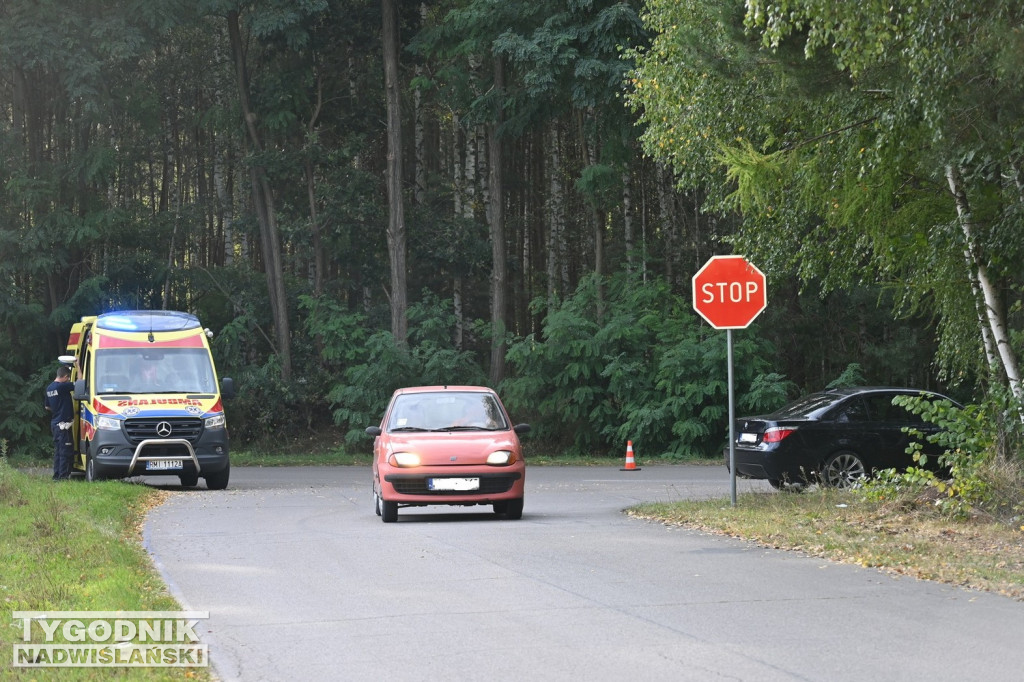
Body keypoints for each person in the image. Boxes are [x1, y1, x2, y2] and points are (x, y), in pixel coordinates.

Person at [44, 365, 75, 481]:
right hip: (63, 425)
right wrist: (78, 367)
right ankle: (63, 477)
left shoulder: (49, 388)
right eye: (68, 378)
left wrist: (57, 410)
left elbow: (47, 407)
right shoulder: (63, 387)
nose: (68, 380)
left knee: (58, 451)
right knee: (65, 451)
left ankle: (56, 476)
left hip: (55, 424)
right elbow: (81, 382)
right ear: (66, 376)